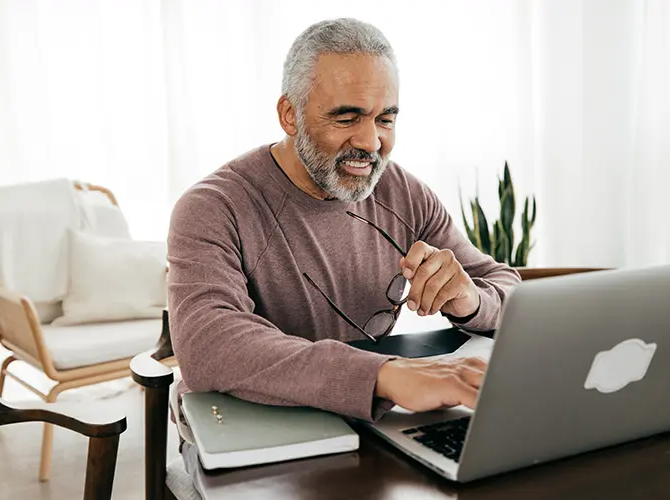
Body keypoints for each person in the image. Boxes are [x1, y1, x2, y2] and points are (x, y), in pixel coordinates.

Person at [168, 18, 520, 462]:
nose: (371, 142)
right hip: (249, 428)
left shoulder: (402, 192)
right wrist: (386, 376)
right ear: (289, 114)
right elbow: (209, 344)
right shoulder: (212, 206)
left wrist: (470, 301)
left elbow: (508, 290)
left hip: (365, 423)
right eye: (347, 117)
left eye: (385, 119)